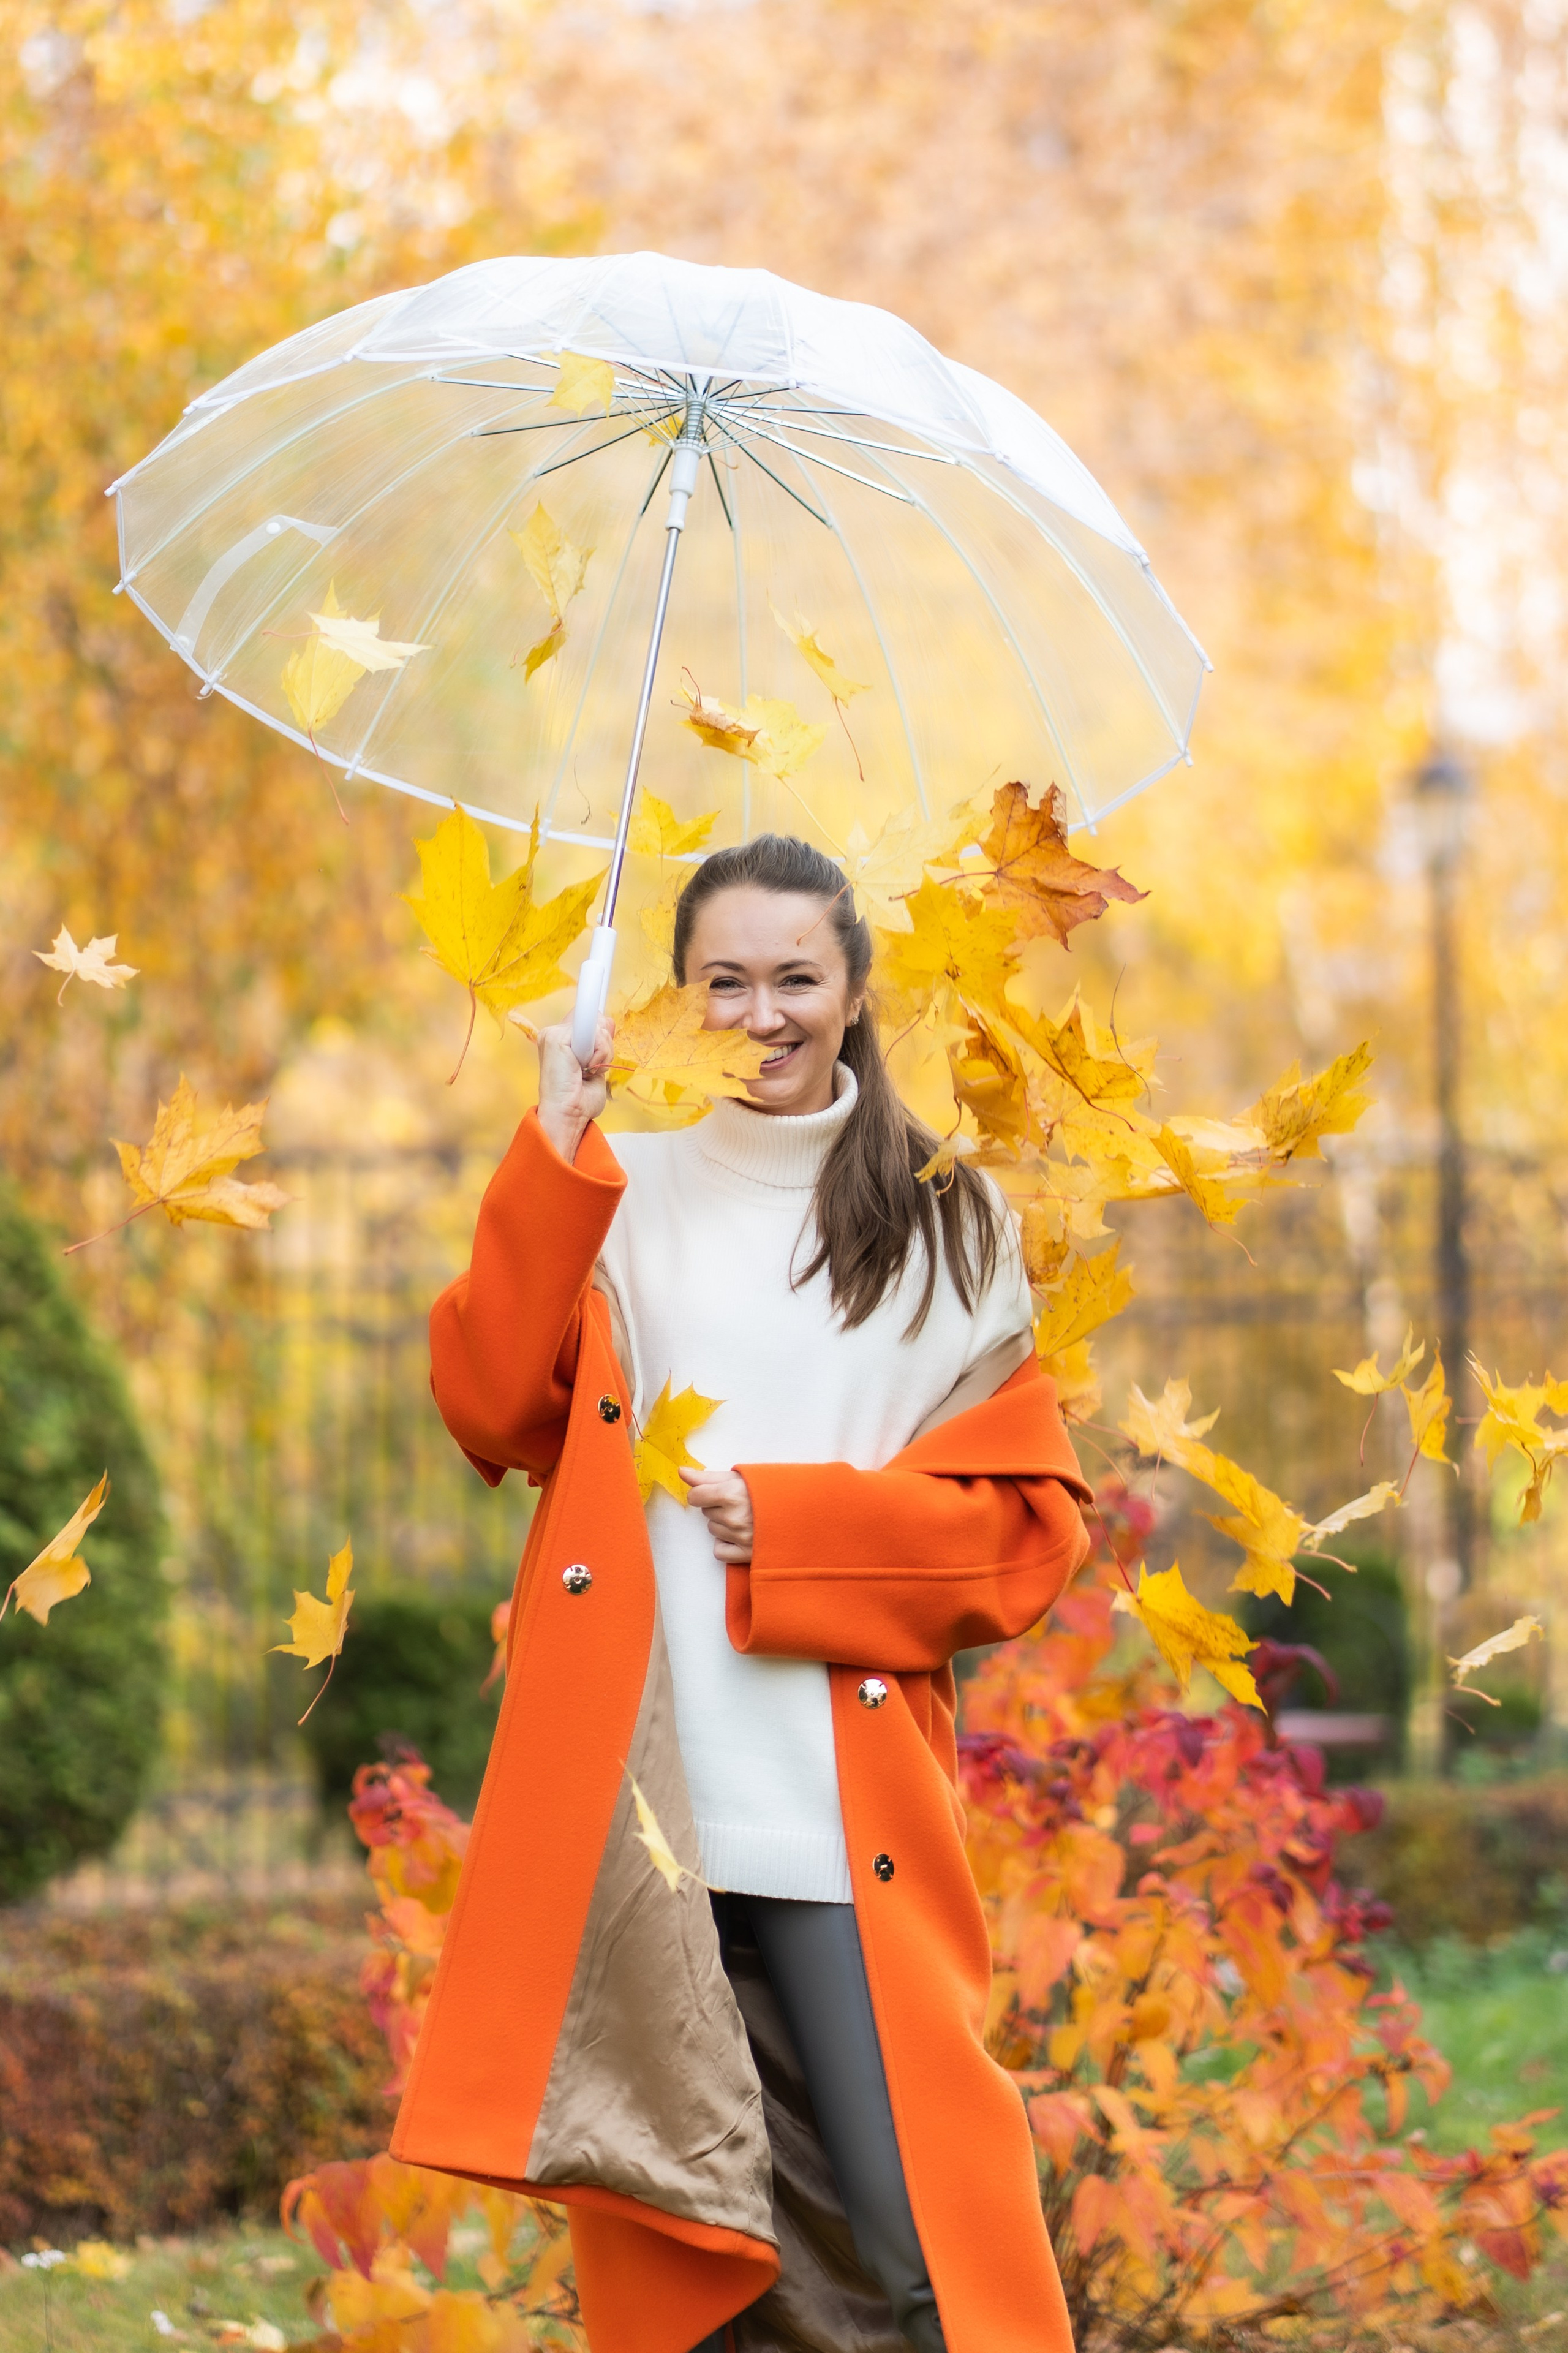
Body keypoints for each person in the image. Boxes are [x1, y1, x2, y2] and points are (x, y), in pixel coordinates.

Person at [390, 834, 1093, 2353]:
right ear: (675, 998)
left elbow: (1022, 1538)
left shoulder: (948, 1224)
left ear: (851, 992)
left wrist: (790, 1529)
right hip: (648, 1816)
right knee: (703, 2260)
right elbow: (491, 1401)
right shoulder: (617, 1189)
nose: (762, 1013)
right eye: (726, 980)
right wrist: (552, 1140)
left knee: (916, 2259)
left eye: (796, 978)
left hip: (844, 1809)